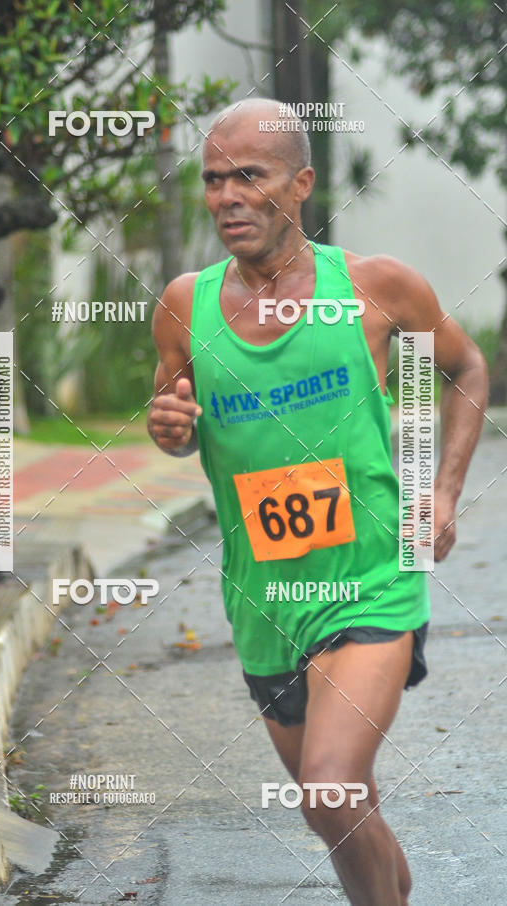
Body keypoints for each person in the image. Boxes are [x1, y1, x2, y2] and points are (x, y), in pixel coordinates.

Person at [147, 97, 488, 905]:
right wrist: (170, 428)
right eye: (214, 179)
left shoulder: (374, 287)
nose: (228, 196)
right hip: (263, 604)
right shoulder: (184, 306)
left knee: (329, 788)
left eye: (249, 176)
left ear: (300, 185)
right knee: (341, 810)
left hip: (370, 585)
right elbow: (175, 420)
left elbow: (466, 368)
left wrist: (443, 493)